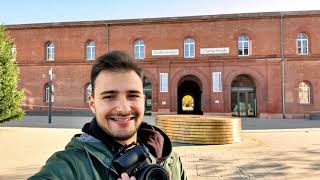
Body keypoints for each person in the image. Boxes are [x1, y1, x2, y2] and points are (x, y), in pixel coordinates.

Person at [29, 51, 187, 180]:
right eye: (109, 96)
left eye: (133, 95)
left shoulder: (170, 160)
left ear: (143, 100)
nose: (124, 108)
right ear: (92, 104)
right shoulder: (69, 167)